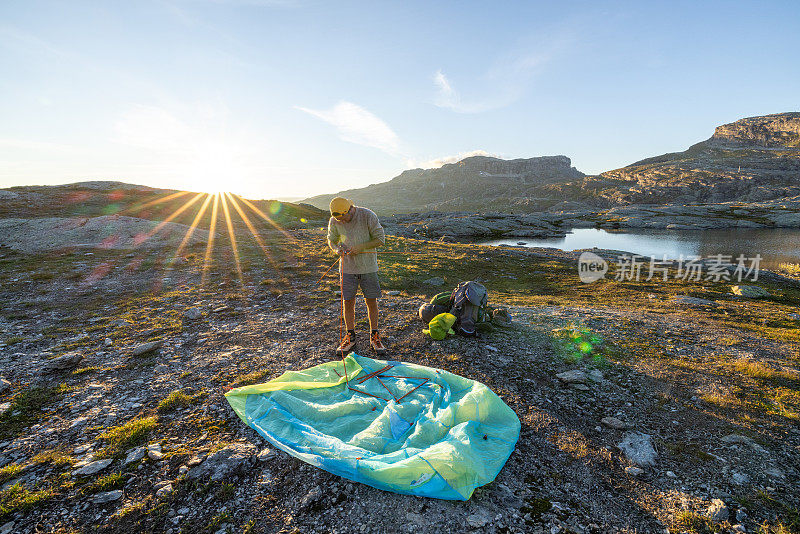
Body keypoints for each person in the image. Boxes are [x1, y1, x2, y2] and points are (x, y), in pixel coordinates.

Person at [327, 197, 387, 354]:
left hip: (368, 268)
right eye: (338, 219)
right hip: (347, 269)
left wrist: (361, 247)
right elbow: (331, 240)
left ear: (350, 209)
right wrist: (336, 250)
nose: (342, 221)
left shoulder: (368, 215)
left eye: (344, 218)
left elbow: (380, 240)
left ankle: (374, 335)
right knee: (348, 302)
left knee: (371, 301)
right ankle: (350, 337)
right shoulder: (334, 220)